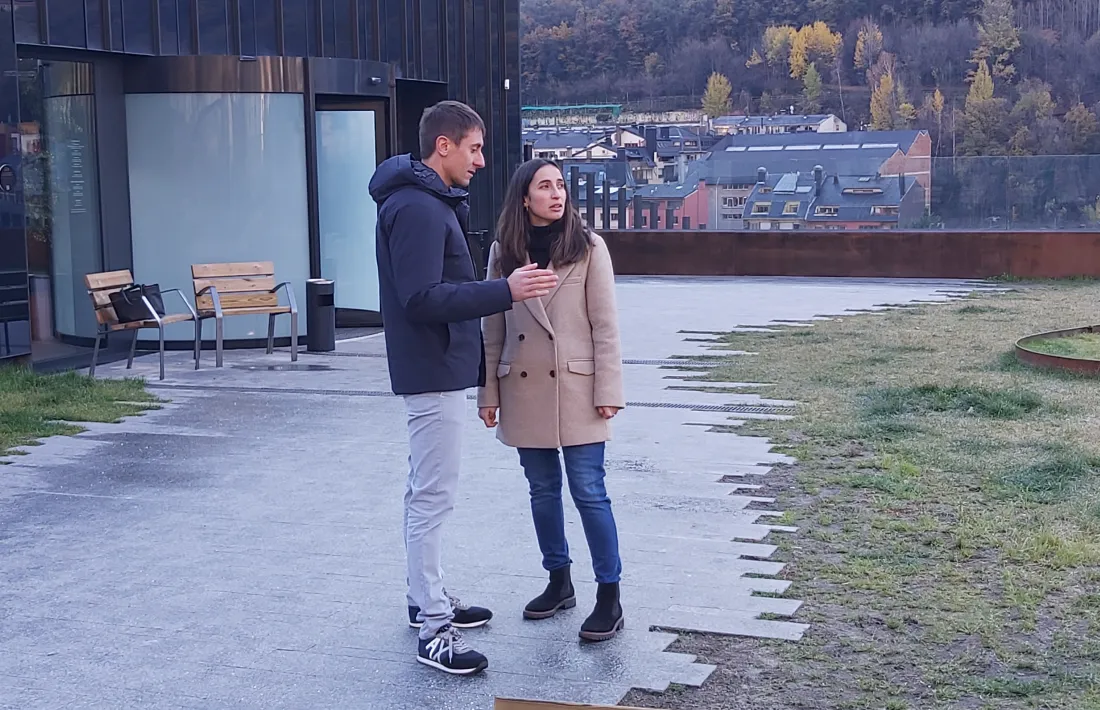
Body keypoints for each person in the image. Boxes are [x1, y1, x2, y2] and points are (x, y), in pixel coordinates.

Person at [369, 102, 559, 675]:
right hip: (432, 370)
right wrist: (506, 289)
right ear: (443, 146)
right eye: (474, 148)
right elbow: (422, 298)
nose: (481, 161)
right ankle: (433, 627)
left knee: (421, 493)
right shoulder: (419, 209)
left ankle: (422, 599)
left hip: (436, 367)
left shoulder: (423, 202)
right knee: (433, 498)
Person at [478, 158, 627, 642]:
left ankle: (610, 594)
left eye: (560, 185)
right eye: (545, 186)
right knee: (542, 491)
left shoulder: (588, 247)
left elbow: (605, 326)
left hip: (578, 387)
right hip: (524, 387)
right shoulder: (504, 252)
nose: (557, 194)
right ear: (525, 198)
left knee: (588, 491)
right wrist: (489, 392)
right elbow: (492, 329)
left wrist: (609, 390)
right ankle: (559, 581)